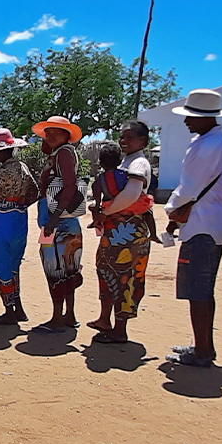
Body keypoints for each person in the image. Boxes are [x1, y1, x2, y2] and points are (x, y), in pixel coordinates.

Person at [162, 90, 222, 366]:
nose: (187, 122)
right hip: (210, 223)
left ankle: (204, 351)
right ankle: (201, 345)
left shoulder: (206, 147)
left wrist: (171, 213)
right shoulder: (219, 143)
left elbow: (188, 190)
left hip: (202, 225)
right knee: (201, 288)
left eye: (191, 117)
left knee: (198, 289)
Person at [90, 121, 158, 345]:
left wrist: (104, 211)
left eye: (129, 137)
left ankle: (120, 329)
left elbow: (130, 196)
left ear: (143, 141)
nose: (124, 140)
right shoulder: (126, 162)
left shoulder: (138, 164)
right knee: (108, 270)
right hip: (117, 229)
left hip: (127, 230)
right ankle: (105, 320)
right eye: (122, 136)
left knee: (124, 276)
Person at [0, 129, 39, 325]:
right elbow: (34, 191)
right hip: (19, 217)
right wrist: (19, 204)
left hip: (2, 218)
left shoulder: (2, 172)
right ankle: (18, 307)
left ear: (3, 152)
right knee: (14, 265)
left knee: (0, 263)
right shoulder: (22, 167)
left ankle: (9, 310)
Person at [33, 116, 87, 332]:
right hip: (66, 223)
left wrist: (53, 219)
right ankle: (69, 315)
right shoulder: (59, 154)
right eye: (48, 132)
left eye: (56, 131)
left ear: (67, 135)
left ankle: (58, 318)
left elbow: (70, 185)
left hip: (59, 223)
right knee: (69, 268)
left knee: (55, 269)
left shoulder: (63, 154)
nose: (50, 135)